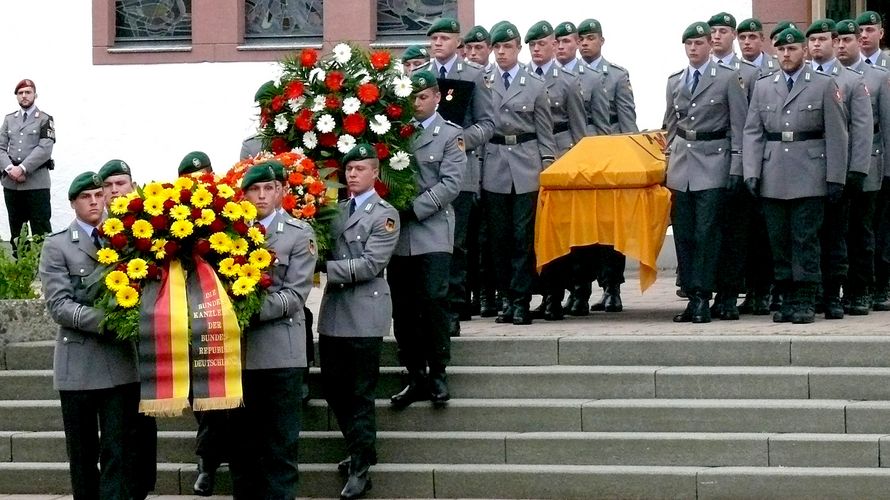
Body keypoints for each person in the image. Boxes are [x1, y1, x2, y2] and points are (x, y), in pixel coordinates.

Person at [40, 171, 139, 500]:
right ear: (73, 204)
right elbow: (59, 305)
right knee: (82, 456)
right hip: (78, 366)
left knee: (118, 452)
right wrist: (107, 319)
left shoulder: (124, 239)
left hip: (119, 363)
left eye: (99, 194)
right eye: (87, 197)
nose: (96, 201)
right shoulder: (57, 246)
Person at [743, 26, 848, 324]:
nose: (786, 54)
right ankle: (787, 296)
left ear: (803, 50)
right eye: (781, 49)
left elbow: (837, 135)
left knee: (805, 238)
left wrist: (835, 177)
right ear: (775, 51)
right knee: (779, 239)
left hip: (810, 172)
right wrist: (751, 171)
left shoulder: (824, 84)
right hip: (773, 173)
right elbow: (753, 131)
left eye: (792, 49)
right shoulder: (764, 85)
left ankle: (805, 297)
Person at [228, 162, 317, 498]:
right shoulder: (231, 231)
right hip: (239, 356)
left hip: (280, 354)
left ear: (281, 191)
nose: (262, 196)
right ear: (245, 193)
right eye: (254, 189)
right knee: (242, 450)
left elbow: (294, 295)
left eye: (269, 188)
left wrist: (242, 313)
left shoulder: (298, 233)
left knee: (279, 448)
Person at [318, 143, 400, 500]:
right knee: (334, 390)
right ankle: (360, 446)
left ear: (375, 173)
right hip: (335, 314)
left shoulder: (385, 214)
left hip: (365, 313)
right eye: (349, 168)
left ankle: (361, 468)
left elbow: (370, 264)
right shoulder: (334, 213)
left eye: (360, 168)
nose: (352, 174)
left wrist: (325, 269)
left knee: (359, 392)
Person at [388, 70, 464, 408]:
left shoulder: (449, 134)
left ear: (436, 97)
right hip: (399, 234)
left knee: (433, 299)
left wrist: (414, 207)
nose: (416, 103)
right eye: (412, 97)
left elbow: (450, 183)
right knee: (403, 305)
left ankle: (438, 371)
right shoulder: (395, 134)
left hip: (431, 228)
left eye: (422, 97)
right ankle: (414, 371)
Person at [663, 21, 747, 323]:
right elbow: (670, 128)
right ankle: (690, 293)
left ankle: (703, 295)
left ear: (710, 46)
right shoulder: (675, 81)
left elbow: (739, 126)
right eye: (689, 44)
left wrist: (737, 166)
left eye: (699, 43)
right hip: (682, 165)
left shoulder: (727, 78)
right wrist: (666, 163)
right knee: (683, 234)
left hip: (714, 162)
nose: (694, 49)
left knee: (707, 233)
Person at [423, 17, 495, 335]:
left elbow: (487, 123)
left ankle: (453, 307)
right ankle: (426, 305)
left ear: (458, 44)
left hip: (458, 170)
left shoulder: (475, 75)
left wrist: (460, 141)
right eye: (433, 38)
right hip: (423, 172)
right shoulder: (417, 75)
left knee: (456, 242)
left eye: (443, 38)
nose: (437, 43)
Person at [482, 22, 556, 325]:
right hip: (494, 163)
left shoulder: (535, 84)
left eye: (507, 47)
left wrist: (547, 167)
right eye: (496, 48)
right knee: (497, 238)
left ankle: (521, 299)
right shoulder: (483, 82)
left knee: (522, 237)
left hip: (526, 164)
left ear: (517, 48)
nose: (501, 53)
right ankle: (506, 297)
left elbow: (545, 133)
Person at [97, 159, 159, 500]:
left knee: (144, 428)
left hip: (151, 342)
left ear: (132, 187)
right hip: (116, 350)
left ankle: (142, 486)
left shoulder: (150, 227)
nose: (115, 191)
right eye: (109, 186)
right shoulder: (99, 234)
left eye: (121, 183)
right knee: (120, 433)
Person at [806, 19, 873, 319]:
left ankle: (838, 292)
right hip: (807, 172)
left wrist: (856, 170)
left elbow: (861, 129)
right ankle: (816, 291)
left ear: (834, 41)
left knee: (839, 237)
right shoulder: (803, 78)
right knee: (810, 236)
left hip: (839, 172)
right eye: (813, 40)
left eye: (823, 39)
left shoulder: (851, 80)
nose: (817, 45)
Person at [525, 20, 587, 321]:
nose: (536, 50)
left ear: (554, 45)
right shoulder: (522, 79)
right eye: (532, 45)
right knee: (534, 232)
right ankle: (541, 292)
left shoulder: (567, 81)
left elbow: (578, 130)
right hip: (527, 158)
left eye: (541, 44)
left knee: (559, 232)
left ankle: (557, 295)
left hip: (560, 155)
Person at [578, 18, 637, 313]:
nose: (585, 43)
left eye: (591, 38)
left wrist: (629, 156)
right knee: (581, 227)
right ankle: (580, 289)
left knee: (611, 228)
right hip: (579, 159)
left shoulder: (615, 75)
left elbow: (627, 121)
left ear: (602, 41)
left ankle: (612, 287)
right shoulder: (569, 74)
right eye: (582, 38)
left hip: (609, 154)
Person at [837, 18, 890, 315]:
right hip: (834, 164)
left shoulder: (878, 76)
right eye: (839, 40)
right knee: (838, 231)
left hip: (870, 161)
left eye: (849, 39)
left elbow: (886, 125)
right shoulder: (827, 75)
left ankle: (870, 286)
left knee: (866, 231)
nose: (842, 45)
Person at [735, 17, 779, 316]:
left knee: (770, 233)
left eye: (752, 37)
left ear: (762, 40)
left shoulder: (777, 69)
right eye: (743, 37)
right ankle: (753, 288)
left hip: (775, 162)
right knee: (747, 233)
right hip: (745, 161)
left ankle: (771, 290)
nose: (747, 42)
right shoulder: (731, 72)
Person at [0, 79, 55, 253]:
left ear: (35, 95)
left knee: (41, 228)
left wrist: (22, 168)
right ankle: (21, 266)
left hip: (36, 183)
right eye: (20, 93)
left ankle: (45, 268)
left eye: (28, 92)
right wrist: (10, 169)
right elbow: (1, 147)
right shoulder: (9, 119)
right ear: (17, 96)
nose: (24, 96)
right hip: (12, 184)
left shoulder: (45, 119)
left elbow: (45, 148)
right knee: (17, 229)